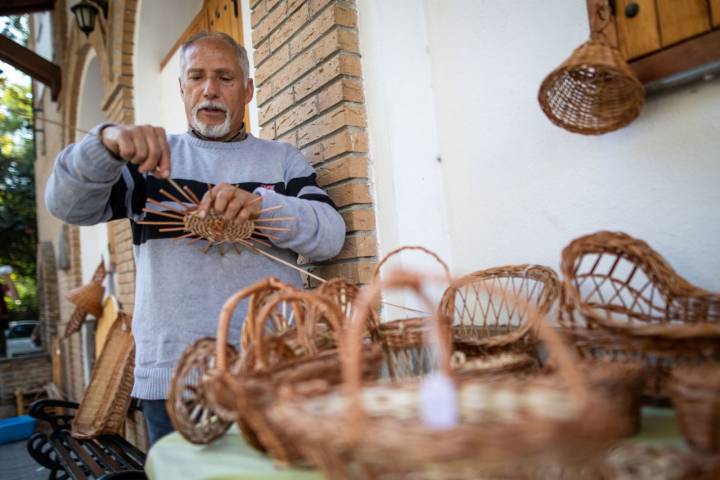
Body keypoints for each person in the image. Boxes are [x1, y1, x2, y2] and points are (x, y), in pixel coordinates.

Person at [45, 32, 345, 446]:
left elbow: (331, 237)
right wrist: (104, 145)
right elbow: (67, 206)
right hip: (174, 378)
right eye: (198, 76)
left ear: (248, 90)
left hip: (275, 371)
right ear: (182, 87)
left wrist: (262, 207)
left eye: (225, 77)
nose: (210, 89)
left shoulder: (282, 159)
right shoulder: (148, 161)